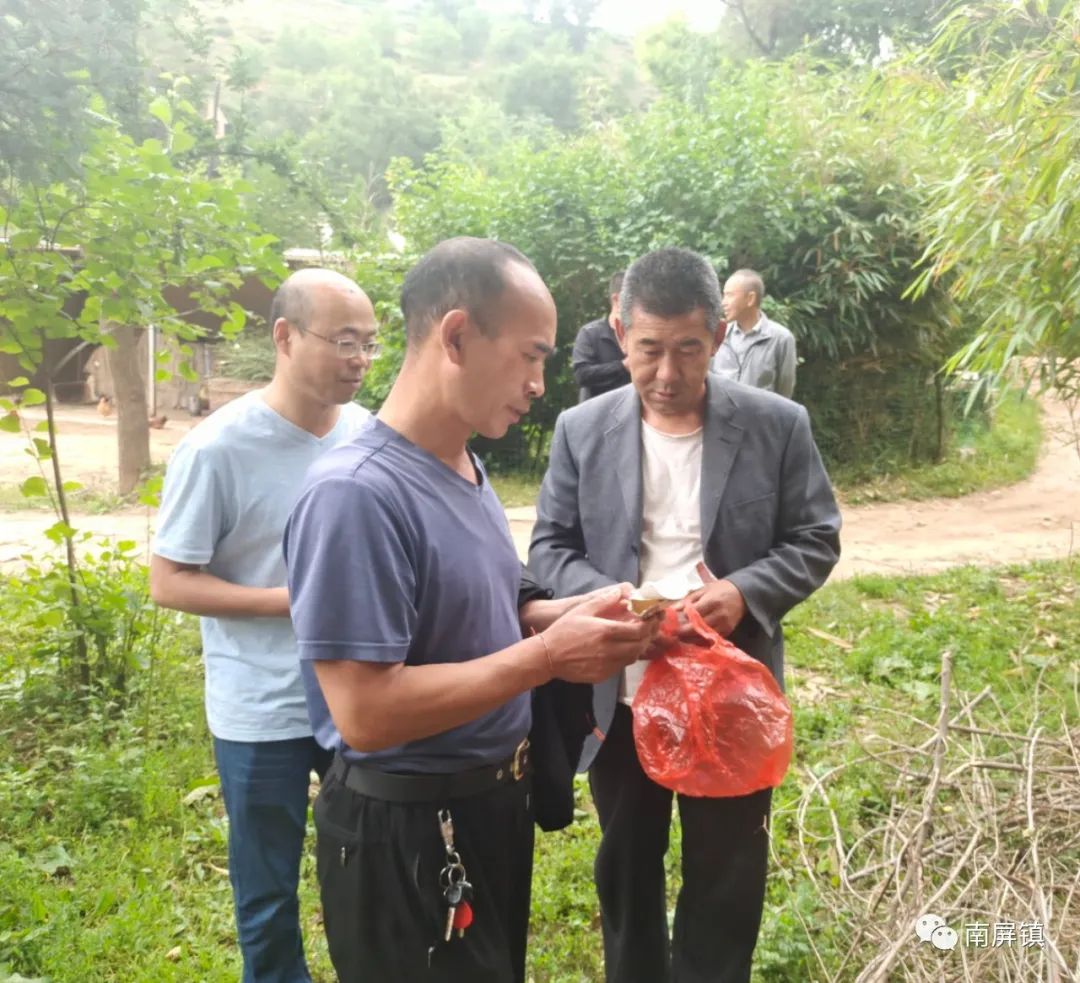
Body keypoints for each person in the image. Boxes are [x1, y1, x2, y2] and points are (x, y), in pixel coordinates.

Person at [282, 237, 659, 983]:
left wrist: (565, 615)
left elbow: (478, 615)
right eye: (529, 356)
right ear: (455, 336)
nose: (539, 383)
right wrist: (549, 659)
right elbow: (364, 710)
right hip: (409, 832)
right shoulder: (357, 495)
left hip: (486, 811)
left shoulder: (463, 464)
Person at [529, 247, 841, 983]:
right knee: (627, 867)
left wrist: (745, 592)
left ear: (722, 334)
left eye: (689, 351)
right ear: (618, 331)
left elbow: (815, 535)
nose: (667, 375)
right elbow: (550, 546)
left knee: (727, 875)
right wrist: (614, 601)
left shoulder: (776, 425)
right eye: (648, 351)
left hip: (731, 693)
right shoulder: (582, 429)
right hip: (623, 692)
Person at [150, 267, 379, 983]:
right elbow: (169, 580)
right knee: (268, 889)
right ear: (284, 336)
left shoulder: (368, 432)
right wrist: (292, 600)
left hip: (358, 698)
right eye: (343, 340)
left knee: (373, 864)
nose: (360, 360)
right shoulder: (218, 449)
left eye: (370, 343)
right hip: (261, 709)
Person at [711, 268, 797, 398]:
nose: (723, 303)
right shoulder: (719, 334)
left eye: (730, 295)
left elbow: (784, 393)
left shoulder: (781, 339)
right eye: (724, 295)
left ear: (750, 299)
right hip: (723, 417)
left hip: (762, 417)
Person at [571, 271, 630, 401]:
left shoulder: (641, 334)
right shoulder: (590, 333)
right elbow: (582, 374)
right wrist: (623, 366)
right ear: (617, 299)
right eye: (633, 299)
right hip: (596, 416)